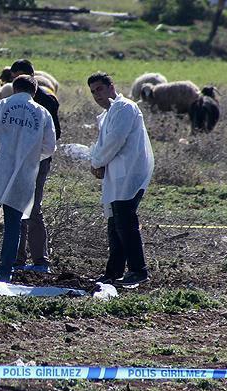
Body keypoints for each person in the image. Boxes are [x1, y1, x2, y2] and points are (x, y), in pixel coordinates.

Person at [0, 75, 56, 283]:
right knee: (13, 224)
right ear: (34, 92)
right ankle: (5, 271)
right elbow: (49, 147)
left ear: (13, 88)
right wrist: (30, 156)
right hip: (22, 175)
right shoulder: (42, 113)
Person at [87, 71, 154, 286]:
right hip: (117, 174)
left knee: (125, 222)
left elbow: (115, 140)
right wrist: (98, 162)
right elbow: (105, 144)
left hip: (130, 172)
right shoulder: (109, 113)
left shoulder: (124, 108)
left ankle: (138, 270)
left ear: (111, 87)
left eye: (100, 89)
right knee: (116, 223)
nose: (97, 95)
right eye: (93, 92)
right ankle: (113, 272)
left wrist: (97, 162)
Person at [8, 59, 62, 274]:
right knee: (16, 206)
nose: (17, 81)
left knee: (33, 207)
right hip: (16, 160)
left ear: (31, 77)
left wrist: (32, 152)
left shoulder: (46, 100)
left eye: (20, 76)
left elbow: (54, 134)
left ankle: (40, 260)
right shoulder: (11, 101)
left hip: (37, 161)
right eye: (14, 78)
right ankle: (17, 259)